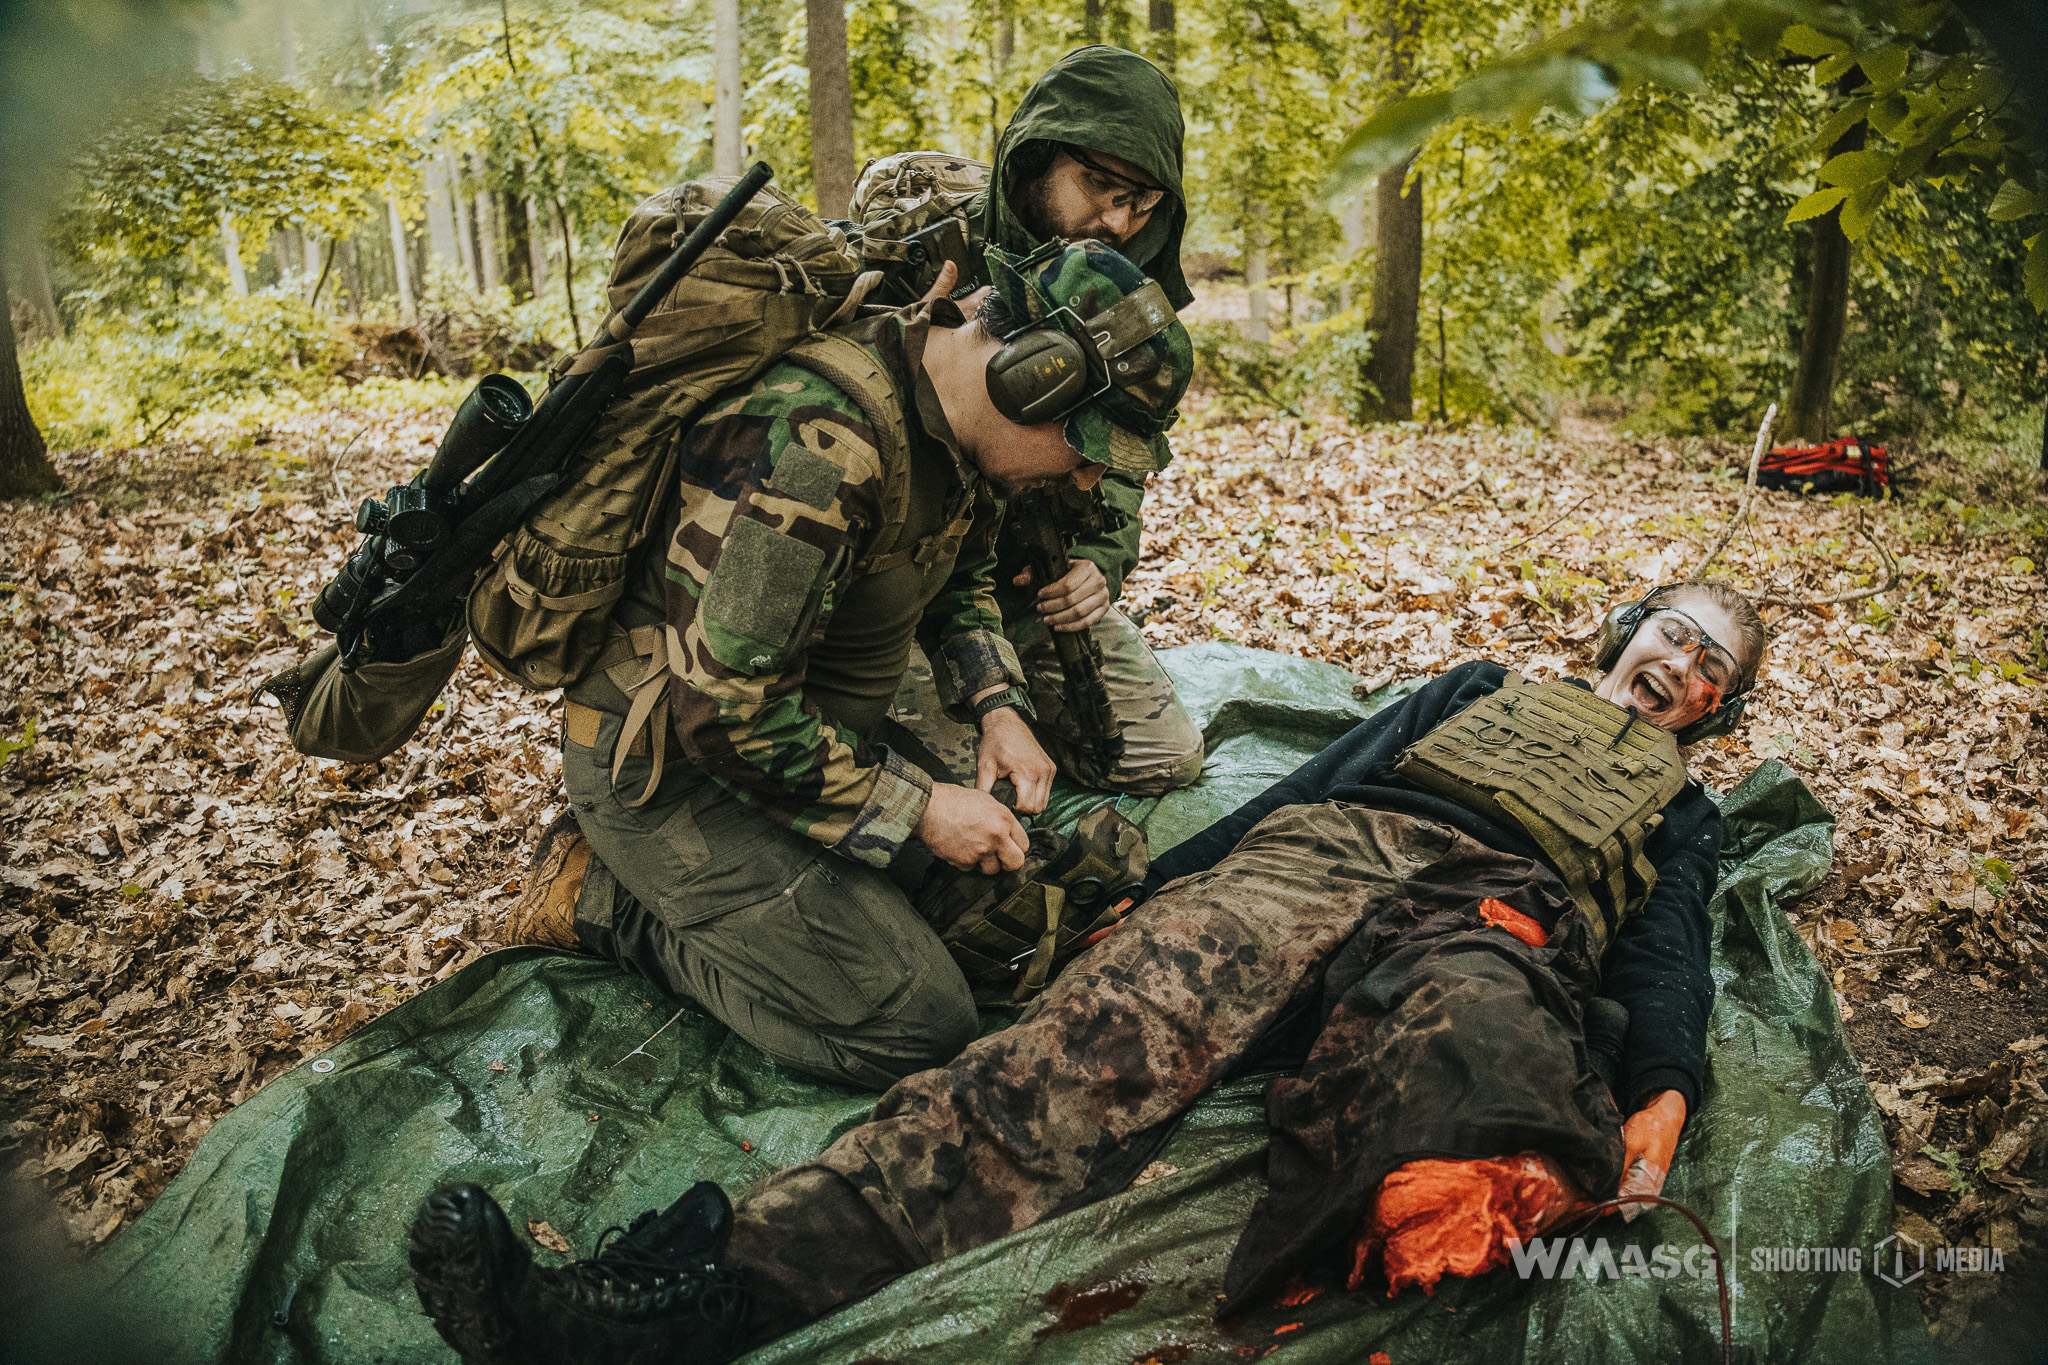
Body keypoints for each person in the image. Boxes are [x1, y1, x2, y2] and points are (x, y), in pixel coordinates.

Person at [410, 581, 1770, 1362]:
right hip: (1328, 852)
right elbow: (1323, 775)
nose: (1681, 660)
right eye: (1673, 629)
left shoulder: (1686, 810)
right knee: (1067, 1058)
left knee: (1490, 1091)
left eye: (1713, 663)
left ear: (1716, 708)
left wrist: (1662, 1086)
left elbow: (1666, 952)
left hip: (1495, 918)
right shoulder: (1476, 686)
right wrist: (1172, 886)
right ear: (1623, 632)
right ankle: (692, 1294)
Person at [495, 240, 1196, 1092]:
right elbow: (724, 711)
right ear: (1027, 378)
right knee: (917, 1025)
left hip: (806, 738)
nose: (1089, 477)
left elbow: (959, 571)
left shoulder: (951, 423)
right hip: (671, 771)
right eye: (1086, 446)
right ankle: (603, 900)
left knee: (1003, 914)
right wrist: (922, 807)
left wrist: (997, 704)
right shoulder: (817, 448)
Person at [880, 45, 1206, 798]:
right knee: (975, 803)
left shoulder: (1125, 290)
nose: (1118, 220)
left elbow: (1120, 454)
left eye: (1144, 202)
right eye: (1098, 184)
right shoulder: (927, 258)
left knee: (1164, 758)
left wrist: (1104, 560)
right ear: (1035, 160)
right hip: (901, 596)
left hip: (1028, 586)